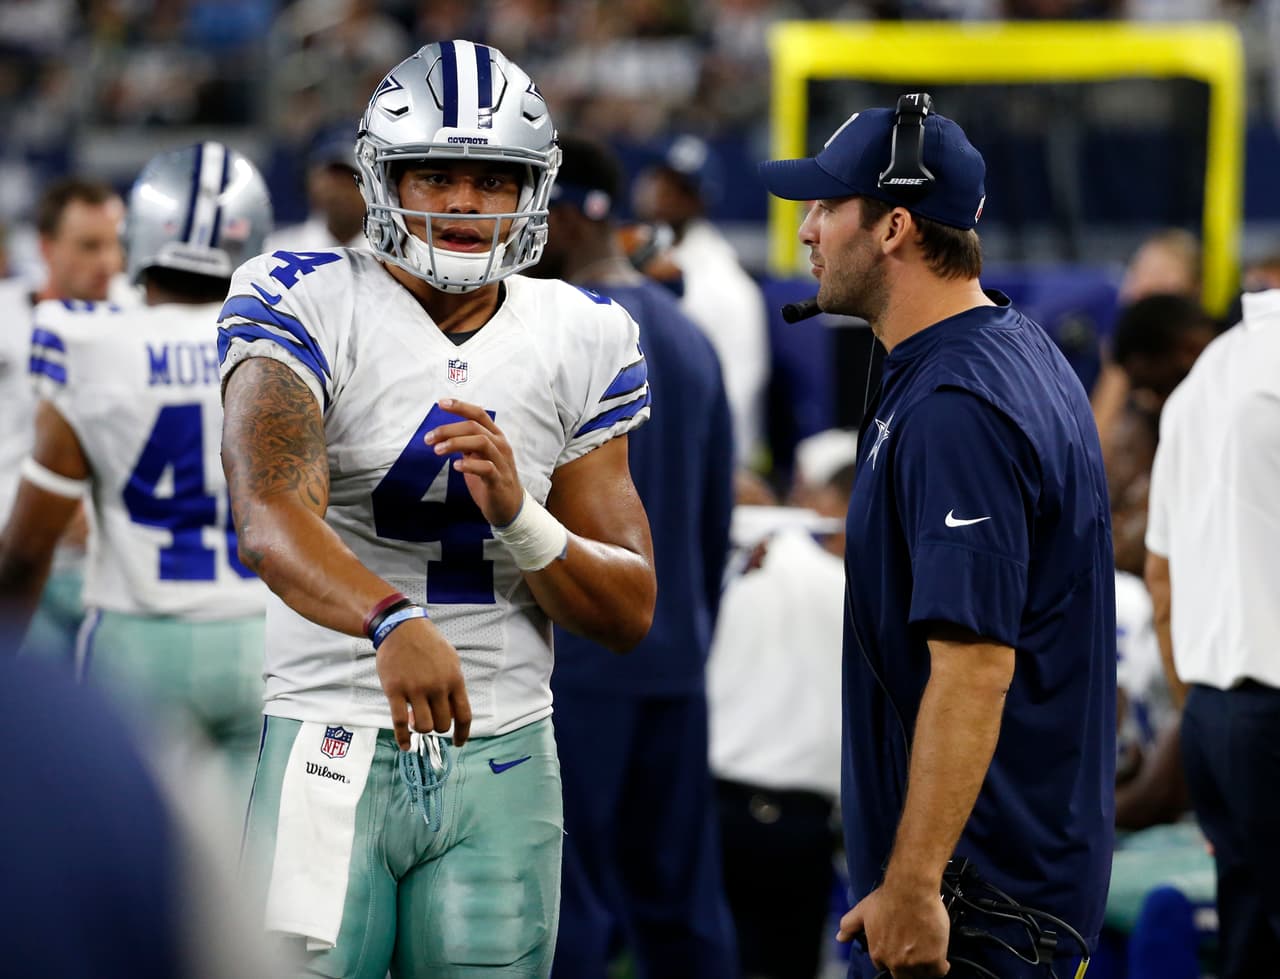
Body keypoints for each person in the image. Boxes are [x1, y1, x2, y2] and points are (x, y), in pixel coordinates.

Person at [219, 42, 657, 978]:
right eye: (435, 173)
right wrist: (390, 619)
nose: (462, 203)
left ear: (532, 191)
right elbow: (266, 513)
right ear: (385, 176)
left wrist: (523, 517)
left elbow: (628, 608)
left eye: (492, 179)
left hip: (502, 751)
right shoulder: (303, 298)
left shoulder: (584, 333)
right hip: (331, 730)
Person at [759, 95, 1116, 978]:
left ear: (894, 228)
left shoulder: (959, 406)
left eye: (826, 205)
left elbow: (975, 665)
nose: (807, 230)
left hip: (981, 907)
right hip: (995, 882)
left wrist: (915, 883)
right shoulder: (992, 345)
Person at [0, 142, 272, 806]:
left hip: (137, 633)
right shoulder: (285, 347)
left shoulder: (91, 346)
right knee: (249, 881)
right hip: (261, 638)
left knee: (117, 866)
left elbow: (28, 546)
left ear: (139, 236)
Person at [532, 134, 737, 979]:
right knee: (681, 910)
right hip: (674, 665)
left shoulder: (551, 331)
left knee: (559, 904)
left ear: (568, 214)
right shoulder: (690, 337)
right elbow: (717, 519)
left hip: (573, 663)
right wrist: (688, 635)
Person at [1144, 285, 1280, 979]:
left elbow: (1160, 576)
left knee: (1246, 948)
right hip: (1269, 707)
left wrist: (1194, 704)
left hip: (1211, 719)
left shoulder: (1202, 380)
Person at [707, 429, 853, 979]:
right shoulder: (866, 594)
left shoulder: (758, 553)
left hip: (720, 810)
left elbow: (731, 484)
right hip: (799, 829)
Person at [0, 176, 128, 662]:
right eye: (89, 246)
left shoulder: (142, 327)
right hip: (17, 560)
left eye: (115, 245)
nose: (108, 263)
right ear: (46, 247)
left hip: (114, 576)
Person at [632, 135, 770, 468]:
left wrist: (721, 470)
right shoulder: (638, 251)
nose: (661, 192)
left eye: (678, 187)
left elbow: (740, 390)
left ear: (699, 201)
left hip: (696, 459)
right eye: (660, 177)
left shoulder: (724, 284)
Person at [264, 121, 368, 254]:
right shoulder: (275, 251)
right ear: (310, 180)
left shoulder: (394, 259)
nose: (340, 191)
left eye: (353, 178)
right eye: (333, 177)